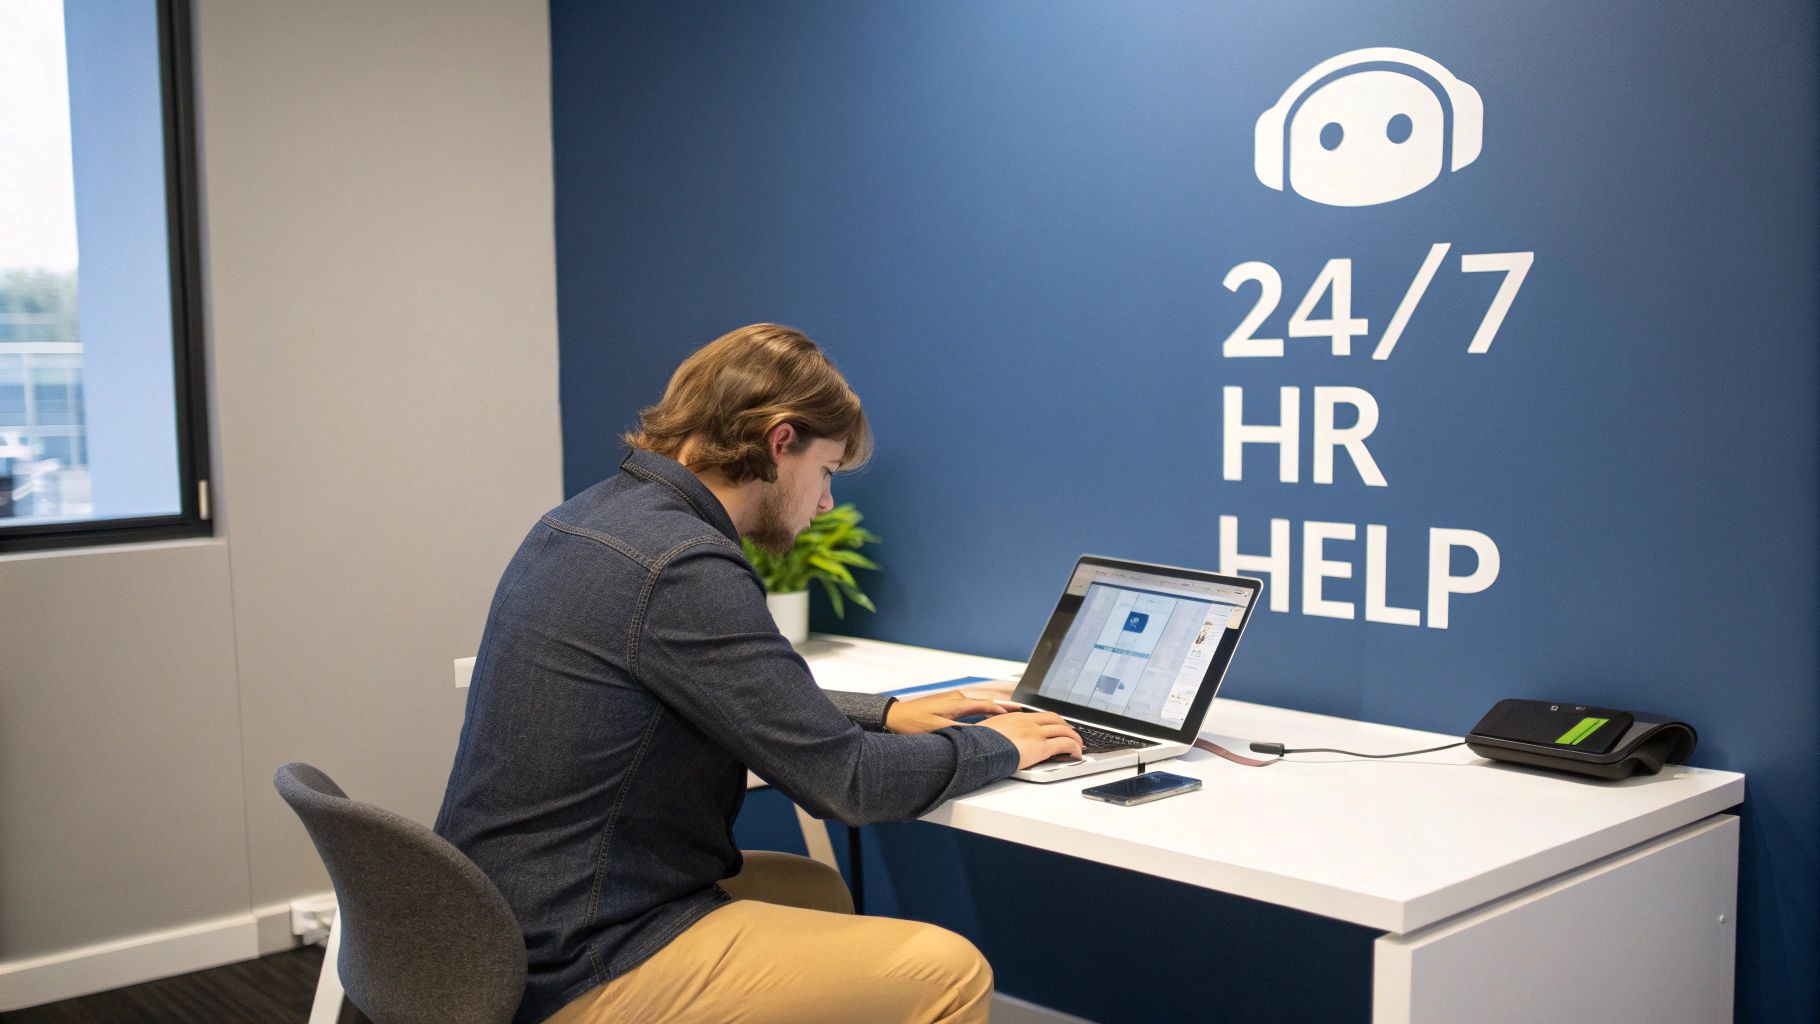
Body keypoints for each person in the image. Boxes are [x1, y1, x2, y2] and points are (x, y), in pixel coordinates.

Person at [434, 324, 1084, 1024]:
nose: (827, 502)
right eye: (828, 471)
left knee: (814, 893)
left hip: (500, 926)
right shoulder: (684, 563)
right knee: (948, 972)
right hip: (583, 956)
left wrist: (887, 712)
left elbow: (720, 689)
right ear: (780, 443)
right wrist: (1005, 746)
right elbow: (851, 784)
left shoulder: (591, 519)